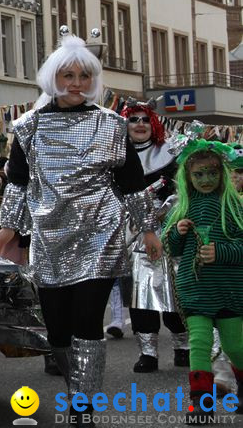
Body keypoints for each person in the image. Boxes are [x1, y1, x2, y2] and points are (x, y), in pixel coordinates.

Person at [0, 33, 162, 416]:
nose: (76, 83)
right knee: (59, 330)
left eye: (84, 75)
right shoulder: (28, 127)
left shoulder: (112, 124)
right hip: (49, 237)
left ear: (93, 80)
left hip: (101, 234)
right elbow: (18, 181)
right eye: (68, 75)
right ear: (53, 78)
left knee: (87, 322)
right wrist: (10, 227)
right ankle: (74, 384)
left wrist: (147, 228)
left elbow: (131, 183)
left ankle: (84, 407)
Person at [162, 140, 243, 423]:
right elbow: (171, 247)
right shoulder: (183, 208)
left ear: (222, 174)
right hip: (195, 289)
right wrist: (178, 232)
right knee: (199, 343)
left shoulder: (234, 206)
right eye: (199, 174)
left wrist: (221, 251)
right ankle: (201, 404)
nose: (205, 179)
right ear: (187, 176)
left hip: (230, 290)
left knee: (236, 346)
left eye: (211, 173)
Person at [118, 100, 188, 373]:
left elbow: (180, 190)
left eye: (145, 120)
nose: (139, 124)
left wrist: (164, 209)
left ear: (154, 125)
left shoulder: (168, 155)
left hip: (168, 231)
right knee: (141, 293)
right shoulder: (118, 157)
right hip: (132, 234)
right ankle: (148, 353)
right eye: (133, 119)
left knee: (173, 291)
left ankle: (183, 347)